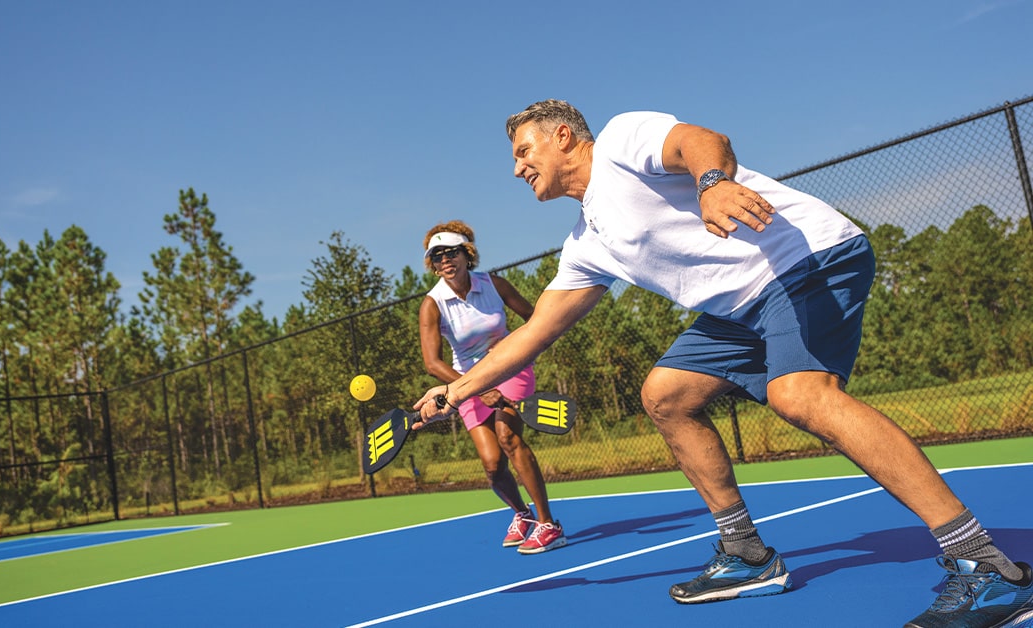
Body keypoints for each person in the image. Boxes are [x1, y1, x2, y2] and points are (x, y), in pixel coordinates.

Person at [412, 100, 1032, 626]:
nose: (518, 167)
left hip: (807, 261)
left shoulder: (624, 140)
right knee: (666, 394)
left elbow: (701, 141)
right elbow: (535, 332)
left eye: (524, 151)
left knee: (800, 395)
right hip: (743, 306)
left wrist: (714, 183)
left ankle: (989, 567)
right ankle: (746, 553)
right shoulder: (587, 243)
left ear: (564, 137)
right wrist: (456, 389)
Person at [416, 220, 566, 554]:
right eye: (437, 257)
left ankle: (548, 524)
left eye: (451, 253)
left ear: (466, 254)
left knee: (508, 437)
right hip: (465, 380)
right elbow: (432, 363)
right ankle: (521, 514)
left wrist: (517, 348)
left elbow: (535, 318)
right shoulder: (432, 304)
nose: (445, 261)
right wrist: (475, 387)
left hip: (511, 366)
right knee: (492, 464)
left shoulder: (495, 284)